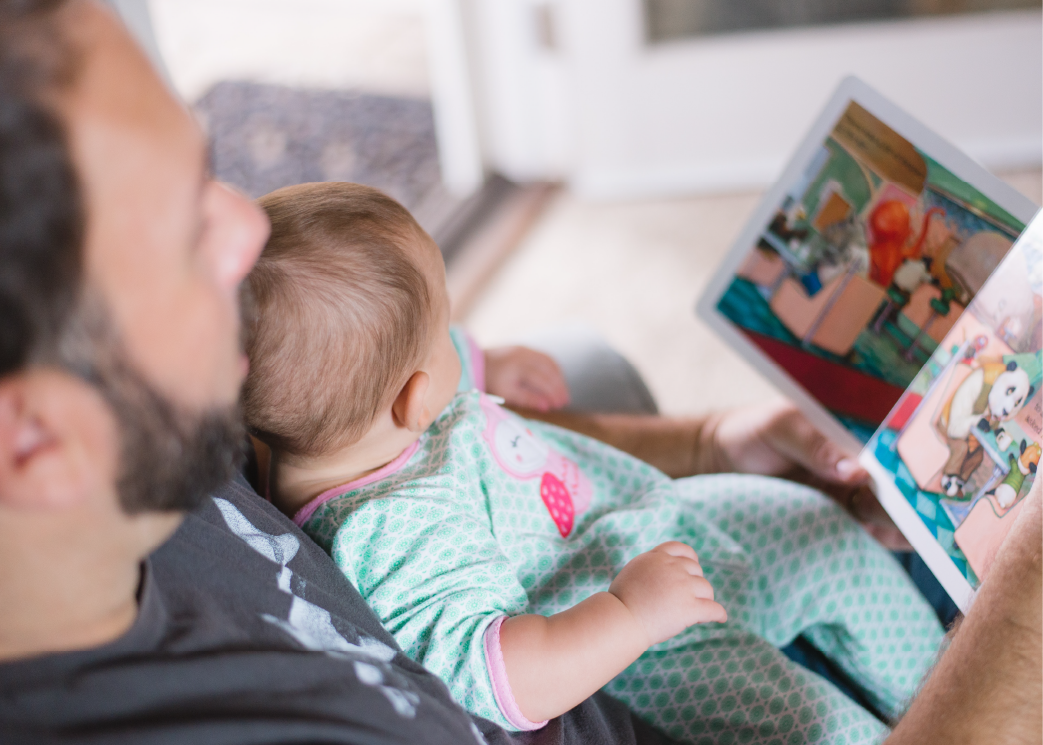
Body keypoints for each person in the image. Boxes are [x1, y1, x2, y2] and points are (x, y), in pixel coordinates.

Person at [1, 2, 1042, 744]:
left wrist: (702, 439)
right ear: (32, 439)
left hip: (635, 538)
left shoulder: (190, 398)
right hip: (669, 656)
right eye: (183, 229)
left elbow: (431, 425)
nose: (245, 225)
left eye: (212, 171)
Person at [240, 181, 943, 743]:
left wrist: (484, 360)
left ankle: (946, 689)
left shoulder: (340, 421)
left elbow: (400, 351)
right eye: (444, 333)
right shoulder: (393, 531)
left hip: (642, 519)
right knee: (823, 730)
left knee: (817, 526)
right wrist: (629, 614)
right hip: (651, 648)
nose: (457, 339)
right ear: (415, 398)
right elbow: (497, 676)